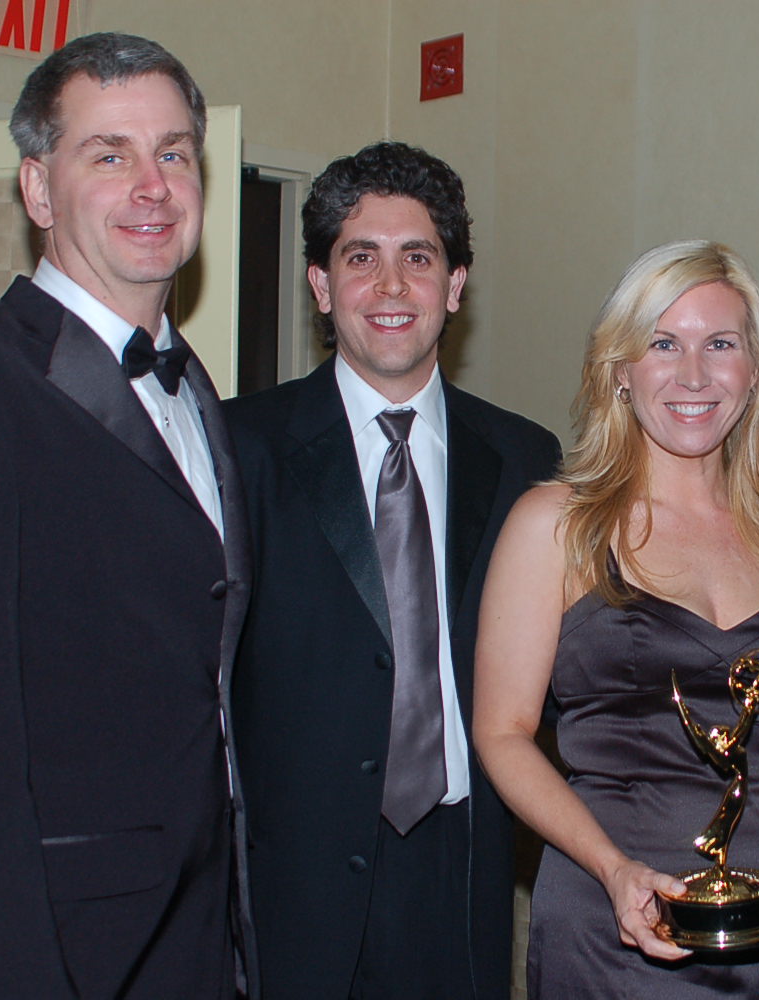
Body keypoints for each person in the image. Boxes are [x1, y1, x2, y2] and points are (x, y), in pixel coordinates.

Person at [0, 32, 252, 999]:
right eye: (108, 155)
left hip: (201, 945)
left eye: (174, 152)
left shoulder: (200, 395)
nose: (152, 186)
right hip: (51, 953)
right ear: (37, 190)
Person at [226, 140, 561, 999]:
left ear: (454, 285)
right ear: (320, 284)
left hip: (464, 864)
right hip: (291, 876)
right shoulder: (240, 447)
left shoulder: (526, 459)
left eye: (417, 257)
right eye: (359, 257)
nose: (390, 286)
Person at [474, 240, 759, 999]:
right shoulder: (556, 526)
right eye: (663, 343)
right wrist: (612, 868)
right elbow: (502, 733)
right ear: (619, 371)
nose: (693, 374)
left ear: (754, 371)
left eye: (721, 344)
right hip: (613, 929)